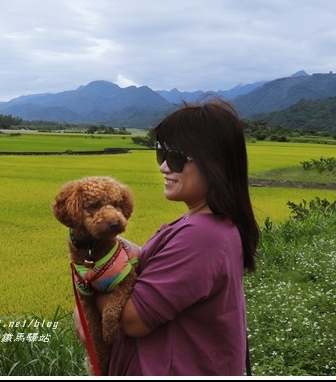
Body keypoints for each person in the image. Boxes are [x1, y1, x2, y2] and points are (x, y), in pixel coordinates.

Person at [73, 97, 260, 375]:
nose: (163, 167)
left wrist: (87, 300)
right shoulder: (204, 222)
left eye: (175, 158)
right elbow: (158, 265)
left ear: (213, 163)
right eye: (162, 153)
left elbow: (133, 321)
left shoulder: (203, 235)